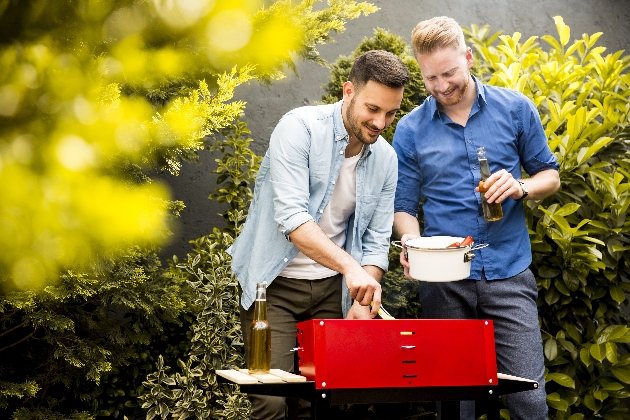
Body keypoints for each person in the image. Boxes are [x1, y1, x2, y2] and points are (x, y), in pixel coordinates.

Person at [392, 17, 560, 420]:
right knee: (454, 406)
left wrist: (521, 186)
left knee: (529, 399)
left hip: (509, 271)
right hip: (443, 281)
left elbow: (550, 176)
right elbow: (403, 206)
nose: (441, 85)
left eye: (449, 73)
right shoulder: (410, 129)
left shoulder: (516, 108)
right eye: (431, 77)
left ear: (469, 58)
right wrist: (412, 245)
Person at [227, 50, 410, 419]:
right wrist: (351, 269)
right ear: (348, 91)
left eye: (391, 113)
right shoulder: (299, 128)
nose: (380, 122)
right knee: (271, 402)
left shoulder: (386, 159)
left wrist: (363, 294)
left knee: (321, 404)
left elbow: (376, 241)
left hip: (333, 291)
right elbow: (293, 219)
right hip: (274, 286)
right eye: (373, 109)